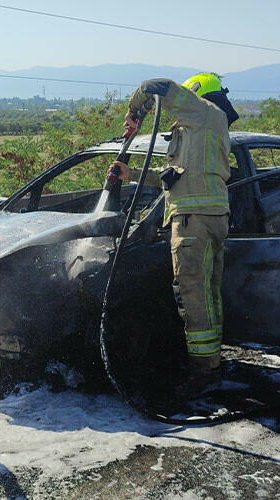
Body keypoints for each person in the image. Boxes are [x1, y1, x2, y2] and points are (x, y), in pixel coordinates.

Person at [108, 73, 239, 396]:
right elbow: (177, 178)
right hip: (207, 215)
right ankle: (211, 362)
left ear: (197, 94)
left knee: (192, 293)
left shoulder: (204, 112)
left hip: (194, 220)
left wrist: (133, 110)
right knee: (207, 293)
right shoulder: (203, 127)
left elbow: (156, 85)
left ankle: (203, 373)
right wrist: (133, 175)